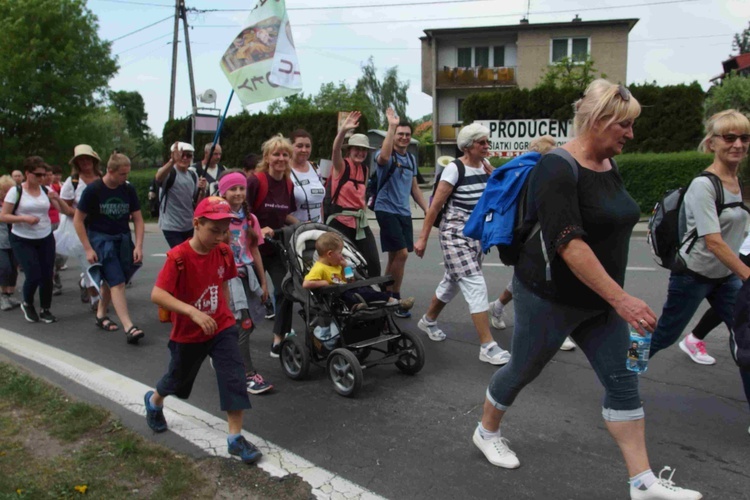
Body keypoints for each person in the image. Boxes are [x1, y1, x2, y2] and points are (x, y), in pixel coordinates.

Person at [472, 80, 702, 500]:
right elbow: (568, 242)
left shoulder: (609, 164)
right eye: (624, 126)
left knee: (624, 380)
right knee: (523, 369)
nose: (630, 135)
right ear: (597, 121)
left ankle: (643, 482)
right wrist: (623, 299)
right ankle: (486, 431)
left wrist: (616, 297)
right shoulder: (557, 167)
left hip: (598, 303)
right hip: (548, 298)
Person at [143, 196, 262, 465]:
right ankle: (154, 400)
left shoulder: (223, 252)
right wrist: (192, 312)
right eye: (214, 231)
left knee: (234, 376)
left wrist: (227, 313)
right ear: (197, 223)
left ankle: (235, 439)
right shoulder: (179, 257)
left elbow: (222, 283)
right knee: (176, 380)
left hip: (221, 327)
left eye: (224, 232)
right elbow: (157, 294)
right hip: (188, 332)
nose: (220, 237)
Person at [649, 110, 750, 412]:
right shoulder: (704, 185)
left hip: (725, 276)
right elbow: (713, 240)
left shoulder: (736, 180)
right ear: (711, 143)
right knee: (664, 335)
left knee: (745, 337)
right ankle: (622, 367)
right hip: (693, 275)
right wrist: (747, 273)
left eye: (744, 137)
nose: (738, 144)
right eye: (729, 137)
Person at [413, 123, 510, 366]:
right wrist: (423, 238)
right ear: (468, 146)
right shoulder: (454, 170)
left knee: (452, 282)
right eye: (482, 143)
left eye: (488, 142)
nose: (487, 146)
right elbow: (434, 207)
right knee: (474, 283)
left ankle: (428, 320)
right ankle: (487, 346)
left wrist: (494, 177)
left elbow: (498, 197)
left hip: (475, 234)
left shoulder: (487, 168)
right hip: (454, 234)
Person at [485, 135, 577, 352]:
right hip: (534, 236)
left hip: (531, 235)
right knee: (549, 280)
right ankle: (554, 332)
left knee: (525, 278)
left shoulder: (523, 171)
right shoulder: (535, 173)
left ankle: (497, 307)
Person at [74, 153, 145, 344]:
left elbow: (138, 218)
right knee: (118, 282)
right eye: (122, 174)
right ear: (110, 171)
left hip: (122, 240)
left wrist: (138, 245)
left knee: (111, 281)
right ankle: (129, 326)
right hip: (101, 241)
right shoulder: (93, 190)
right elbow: (78, 220)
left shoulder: (128, 189)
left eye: (127, 174)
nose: (125, 178)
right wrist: (88, 248)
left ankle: (100, 314)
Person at [218, 170, 273, 394]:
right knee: (243, 324)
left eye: (241, 188)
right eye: (233, 189)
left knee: (250, 321)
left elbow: (255, 251)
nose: (238, 192)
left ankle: (223, 354)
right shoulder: (217, 217)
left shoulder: (251, 219)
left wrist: (264, 283)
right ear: (223, 192)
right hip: (228, 278)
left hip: (248, 275)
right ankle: (247, 374)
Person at [246, 134, 299, 357]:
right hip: (250, 248)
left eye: (285, 154)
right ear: (267, 157)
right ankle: (232, 341)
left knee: (285, 289)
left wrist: (305, 226)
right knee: (251, 298)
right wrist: (259, 230)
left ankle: (279, 338)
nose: (281, 158)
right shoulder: (256, 181)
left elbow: (284, 214)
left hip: (275, 248)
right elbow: (241, 215)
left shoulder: (288, 184)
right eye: (276, 154)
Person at [373, 108, 428, 318]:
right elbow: (384, 157)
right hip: (385, 209)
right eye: (400, 134)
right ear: (394, 135)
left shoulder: (411, 159)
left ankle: (383, 295)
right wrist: (391, 125)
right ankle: (395, 297)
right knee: (402, 254)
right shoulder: (384, 153)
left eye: (407, 134)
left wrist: (427, 209)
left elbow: (414, 188)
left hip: (403, 212)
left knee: (394, 257)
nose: (404, 137)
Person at [0, 156, 68, 323]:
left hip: (45, 236)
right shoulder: (16, 191)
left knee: (47, 275)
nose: (41, 178)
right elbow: (4, 216)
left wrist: (57, 198)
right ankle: (27, 303)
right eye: (37, 175)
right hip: (22, 238)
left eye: (43, 175)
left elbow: (65, 211)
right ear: (27, 173)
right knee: (33, 274)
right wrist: (24, 218)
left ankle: (45, 309)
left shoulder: (46, 190)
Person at [326, 111, 381, 277]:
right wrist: (343, 130)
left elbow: (361, 198)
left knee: (372, 260)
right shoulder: (341, 166)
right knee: (344, 262)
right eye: (357, 149)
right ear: (349, 150)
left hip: (359, 222)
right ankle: (350, 295)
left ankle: (375, 294)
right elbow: (335, 149)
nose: (361, 153)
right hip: (339, 222)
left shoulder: (364, 170)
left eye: (364, 150)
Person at [303, 231, 414, 312]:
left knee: (366, 289)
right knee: (351, 295)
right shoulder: (319, 268)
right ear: (330, 254)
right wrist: (324, 283)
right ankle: (359, 306)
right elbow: (306, 283)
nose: (342, 256)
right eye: (340, 253)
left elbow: (350, 280)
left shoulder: (336, 265)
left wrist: (346, 267)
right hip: (336, 296)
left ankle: (392, 301)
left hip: (346, 288)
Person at [60, 144, 103, 311]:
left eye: (87, 159)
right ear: (76, 163)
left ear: (93, 161)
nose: (85, 162)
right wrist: (82, 214)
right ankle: (95, 300)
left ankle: (85, 282)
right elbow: (65, 207)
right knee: (89, 263)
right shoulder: (72, 182)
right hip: (80, 230)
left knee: (103, 262)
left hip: (101, 228)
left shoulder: (103, 178)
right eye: (81, 160)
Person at [155, 142, 205, 248]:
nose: (185, 158)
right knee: (181, 255)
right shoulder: (169, 172)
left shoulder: (193, 175)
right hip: (171, 226)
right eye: (182, 155)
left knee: (190, 256)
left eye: (189, 155)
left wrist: (203, 190)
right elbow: (158, 178)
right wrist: (172, 161)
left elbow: (197, 202)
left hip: (189, 225)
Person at [289, 129, 325, 223]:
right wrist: (299, 225)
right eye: (299, 146)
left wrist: (322, 225)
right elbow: (280, 209)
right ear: (290, 147)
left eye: (307, 146)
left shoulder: (316, 168)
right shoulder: (284, 170)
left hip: (317, 229)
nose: (304, 150)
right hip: (295, 231)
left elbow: (320, 202)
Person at [0, 175, 21, 311]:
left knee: (14, 269)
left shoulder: (15, 204)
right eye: (4, 191)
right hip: (1, 242)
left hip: (14, 240)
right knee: (4, 268)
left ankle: (9, 294)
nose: (7, 194)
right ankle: (3, 296)